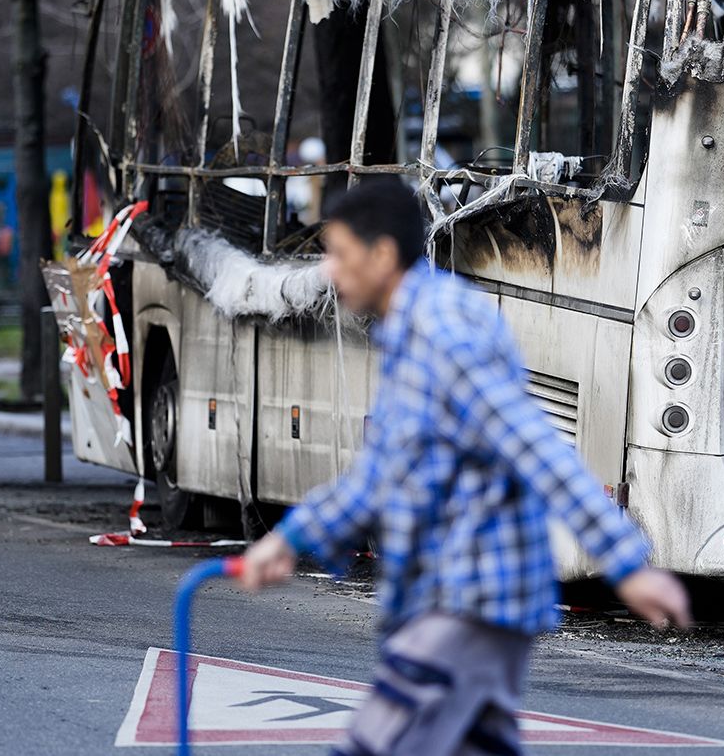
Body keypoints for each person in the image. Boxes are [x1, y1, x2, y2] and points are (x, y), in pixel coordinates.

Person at [236, 180, 691, 756]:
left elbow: (533, 445)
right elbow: (382, 473)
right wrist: (291, 539)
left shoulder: (441, 332)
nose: (329, 271)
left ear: (380, 256)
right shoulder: (415, 325)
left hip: (468, 601)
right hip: (464, 598)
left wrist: (626, 564)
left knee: (377, 745)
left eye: (340, 255)